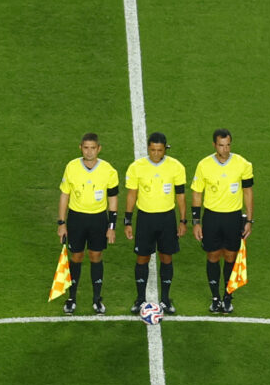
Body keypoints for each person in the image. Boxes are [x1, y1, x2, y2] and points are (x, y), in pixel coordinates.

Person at [121, 132, 189, 314]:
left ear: (165, 149)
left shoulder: (176, 167)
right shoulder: (137, 167)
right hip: (145, 219)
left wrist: (183, 220)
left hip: (167, 219)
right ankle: (140, 299)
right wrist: (127, 221)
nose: (156, 154)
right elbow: (131, 195)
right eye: (152, 150)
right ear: (148, 149)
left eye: (159, 150)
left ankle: (166, 299)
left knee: (166, 257)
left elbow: (181, 196)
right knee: (142, 258)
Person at [189, 128, 253, 314]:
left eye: (228, 145)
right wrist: (196, 222)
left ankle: (227, 296)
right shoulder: (204, 165)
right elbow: (197, 194)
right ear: (214, 145)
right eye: (221, 145)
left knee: (231, 257)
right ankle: (215, 297)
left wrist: (249, 219)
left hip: (233, 217)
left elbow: (248, 193)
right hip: (212, 218)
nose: (225, 149)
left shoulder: (243, 164)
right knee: (213, 256)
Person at [55, 133, 119, 315]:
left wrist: (111, 226)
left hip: (98, 219)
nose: (89, 152)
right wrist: (62, 223)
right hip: (76, 219)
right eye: (86, 148)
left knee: (96, 256)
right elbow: (64, 196)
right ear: (80, 148)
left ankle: (97, 300)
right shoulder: (72, 167)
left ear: (99, 148)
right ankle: (71, 298)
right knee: (75, 257)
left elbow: (113, 198)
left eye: (93, 148)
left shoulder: (108, 170)